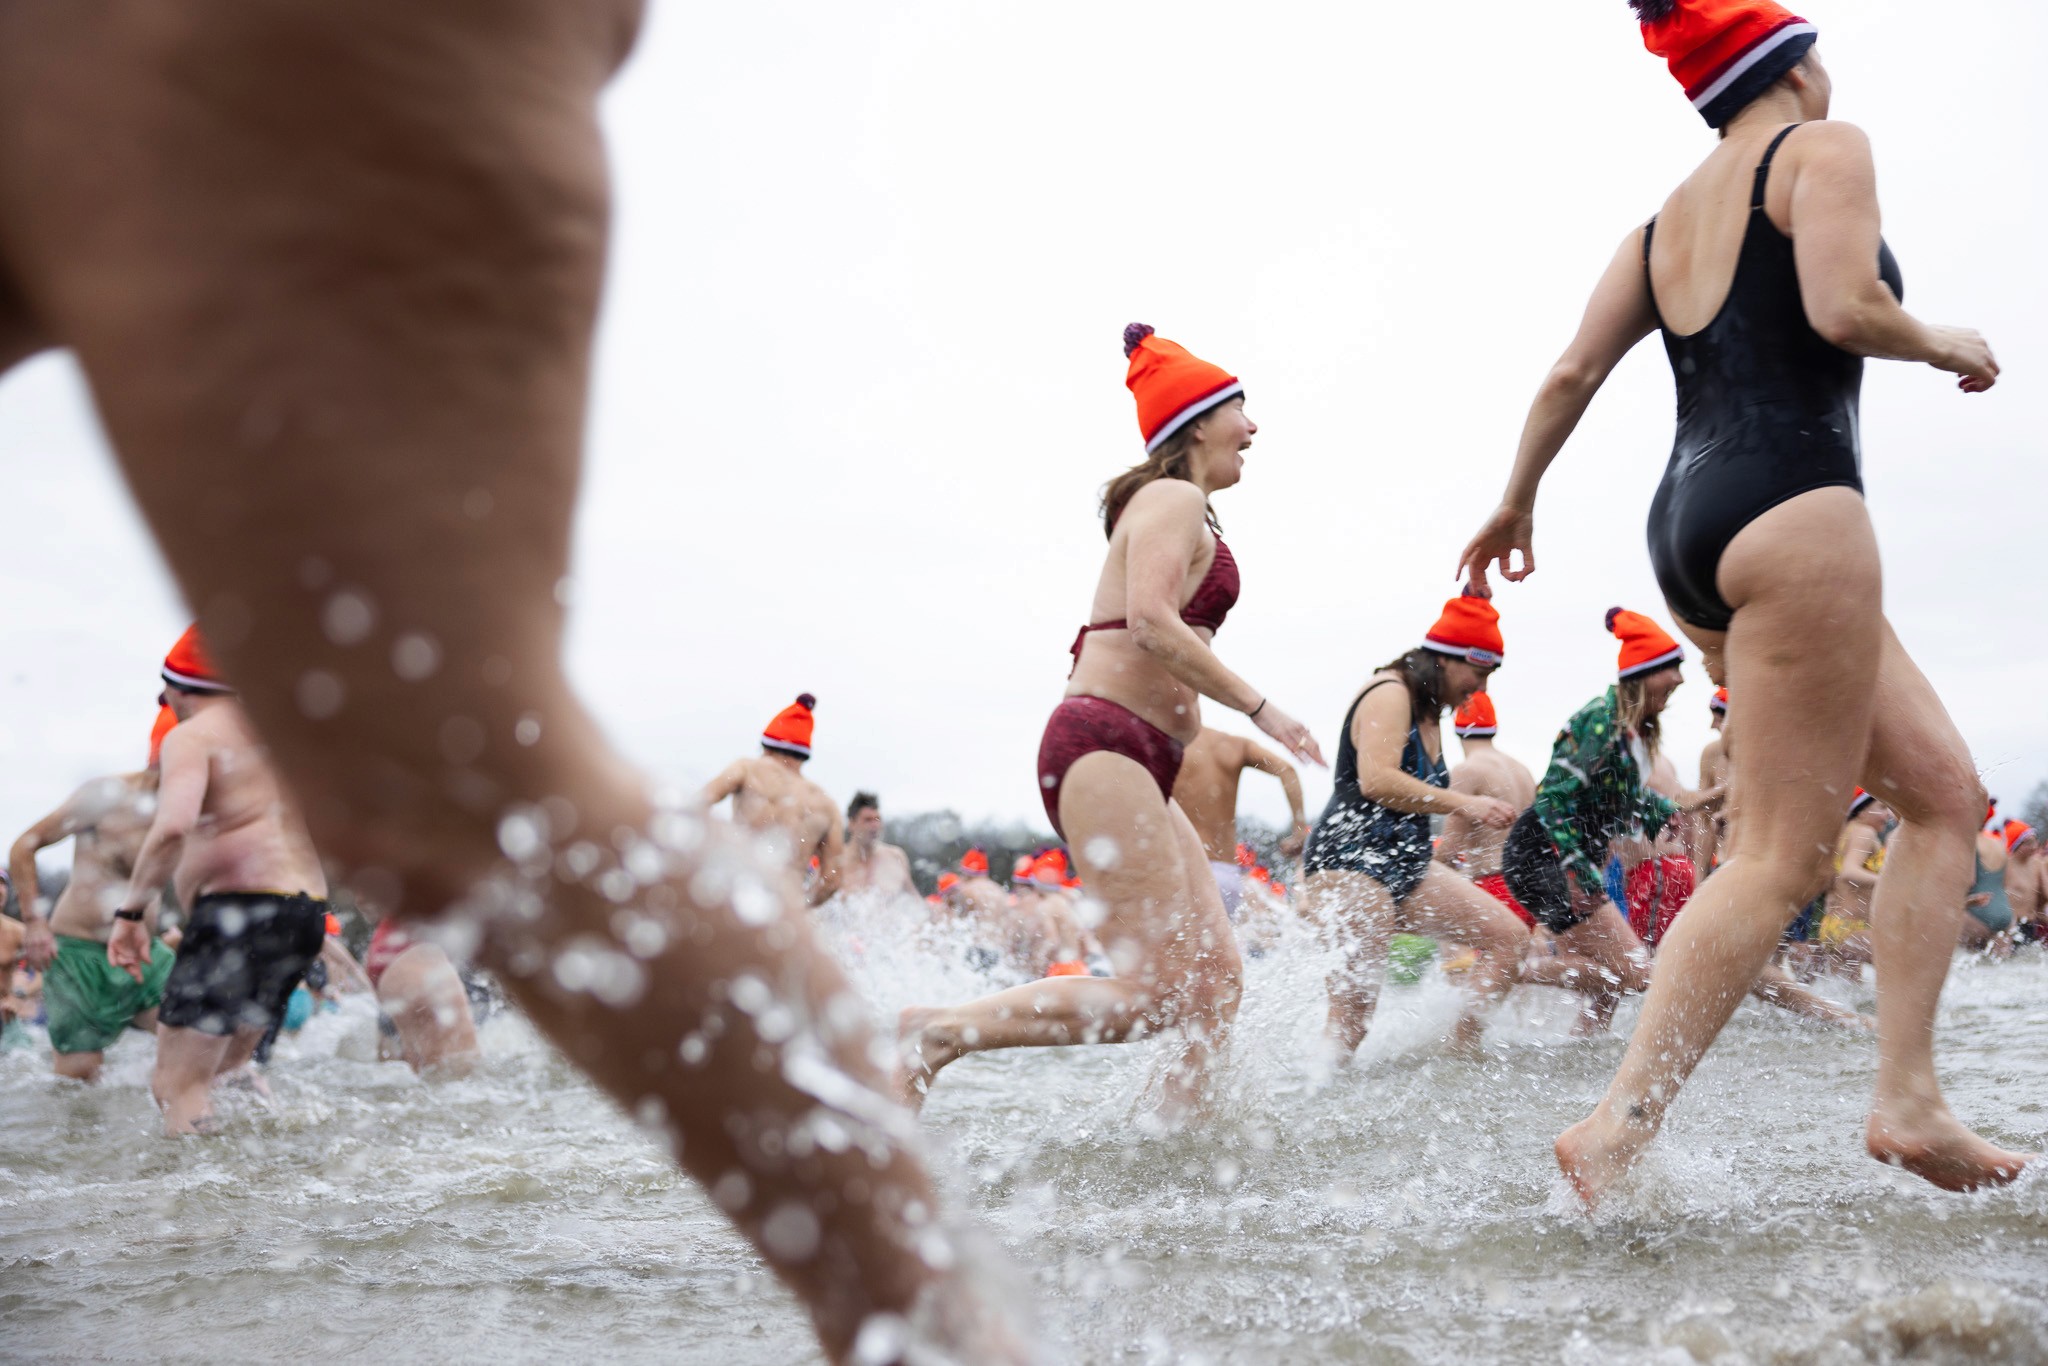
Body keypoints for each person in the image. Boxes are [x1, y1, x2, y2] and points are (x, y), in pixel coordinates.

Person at [0, 10, 1007, 1353]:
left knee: (450, 779)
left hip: (230, 47)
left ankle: (941, 1333)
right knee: (456, 784)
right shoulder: (780, 789)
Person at [1457, 0, 2025, 1204]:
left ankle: (1909, 1099)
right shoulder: (1824, 147)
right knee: (1777, 854)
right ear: (1790, 61)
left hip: (1690, 524)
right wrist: (1942, 340)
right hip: (1800, 511)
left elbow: (1569, 370)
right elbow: (1839, 309)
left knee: (1939, 796)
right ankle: (1615, 1123)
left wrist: (1514, 502)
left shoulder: (1661, 221)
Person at [896, 325, 1322, 1120]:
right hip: (1103, 745)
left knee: (1215, 983)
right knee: (1156, 993)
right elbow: (1152, 622)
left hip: (1135, 756)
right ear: (1197, 422)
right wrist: (1264, 710)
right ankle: (935, 1034)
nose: (1254, 428)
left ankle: (1180, 1141)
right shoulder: (1173, 496)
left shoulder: (1184, 509)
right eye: (1240, 410)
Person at [106, 630, 331, 1133]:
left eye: (166, 696)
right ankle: (264, 1183)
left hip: (239, 914)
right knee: (227, 1070)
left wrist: (130, 913)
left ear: (181, 688)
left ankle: (195, 1203)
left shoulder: (193, 735)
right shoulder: (281, 739)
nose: (168, 707)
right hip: (304, 915)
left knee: (175, 1084)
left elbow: (171, 828)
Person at [1299, 594, 1527, 1054]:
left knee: (1509, 940)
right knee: (1352, 1022)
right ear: (1444, 659)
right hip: (1351, 861)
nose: (1479, 689)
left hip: (1407, 864)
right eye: (1477, 675)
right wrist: (1466, 803)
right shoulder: (1390, 691)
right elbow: (1376, 779)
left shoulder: (1429, 711)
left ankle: (1455, 1056)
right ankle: (1313, 1112)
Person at [1498, 611, 1721, 1034]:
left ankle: (1584, 1057)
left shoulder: (1632, 732)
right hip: (1544, 855)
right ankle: (1512, 966)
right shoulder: (1599, 720)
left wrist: (1658, 809)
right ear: (1641, 675)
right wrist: (1578, 872)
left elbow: (1611, 799)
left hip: (1560, 856)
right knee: (1636, 973)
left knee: (1608, 984)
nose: (1679, 679)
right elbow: (1553, 801)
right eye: (1669, 669)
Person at [9, 705, 180, 1081]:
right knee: (80, 1087)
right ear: (164, 756)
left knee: (193, 1046)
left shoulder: (191, 810)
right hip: (79, 956)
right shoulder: (107, 796)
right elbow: (24, 846)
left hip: (146, 955)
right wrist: (35, 922)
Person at [699, 695, 846, 907]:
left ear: (767, 747)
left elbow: (697, 805)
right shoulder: (826, 804)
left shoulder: (747, 769)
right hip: (784, 914)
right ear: (802, 755)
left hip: (735, 899)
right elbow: (832, 880)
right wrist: (797, 910)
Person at [1171, 726, 1310, 923]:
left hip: (1181, 871)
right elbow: (1287, 771)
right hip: (1226, 876)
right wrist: (1299, 831)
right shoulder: (1231, 744)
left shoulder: (1162, 744)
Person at [1433, 691, 1538, 923]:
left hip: (1496, 887)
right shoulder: (1522, 770)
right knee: (1528, 959)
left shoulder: (1466, 771)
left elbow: (1450, 850)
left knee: (1493, 957)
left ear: (1456, 728)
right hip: (1533, 887)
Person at [1818, 789, 1891, 972]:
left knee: (1846, 997)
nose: (1888, 814)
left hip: (1836, 926)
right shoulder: (1865, 833)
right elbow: (1849, 872)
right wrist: (1891, 881)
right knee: (1904, 972)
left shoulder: (1846, 832)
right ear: (1861, 811)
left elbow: (1831, 877)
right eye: (1881, 807)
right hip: (1853, 929)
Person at [836, 793, 914, 898]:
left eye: (877, 819)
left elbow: (915, 902)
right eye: (867, 820)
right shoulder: (835, 861)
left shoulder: (895, 857)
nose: (874, 825)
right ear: (851, 823)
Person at [1961, 818, 2014, 952]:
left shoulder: (1970, 841)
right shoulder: (1999, 844)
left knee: (1967, 962)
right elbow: (2006, 883)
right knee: (1999, 968)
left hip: (1977, 910)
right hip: (2004, 909)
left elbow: (1969, 880)